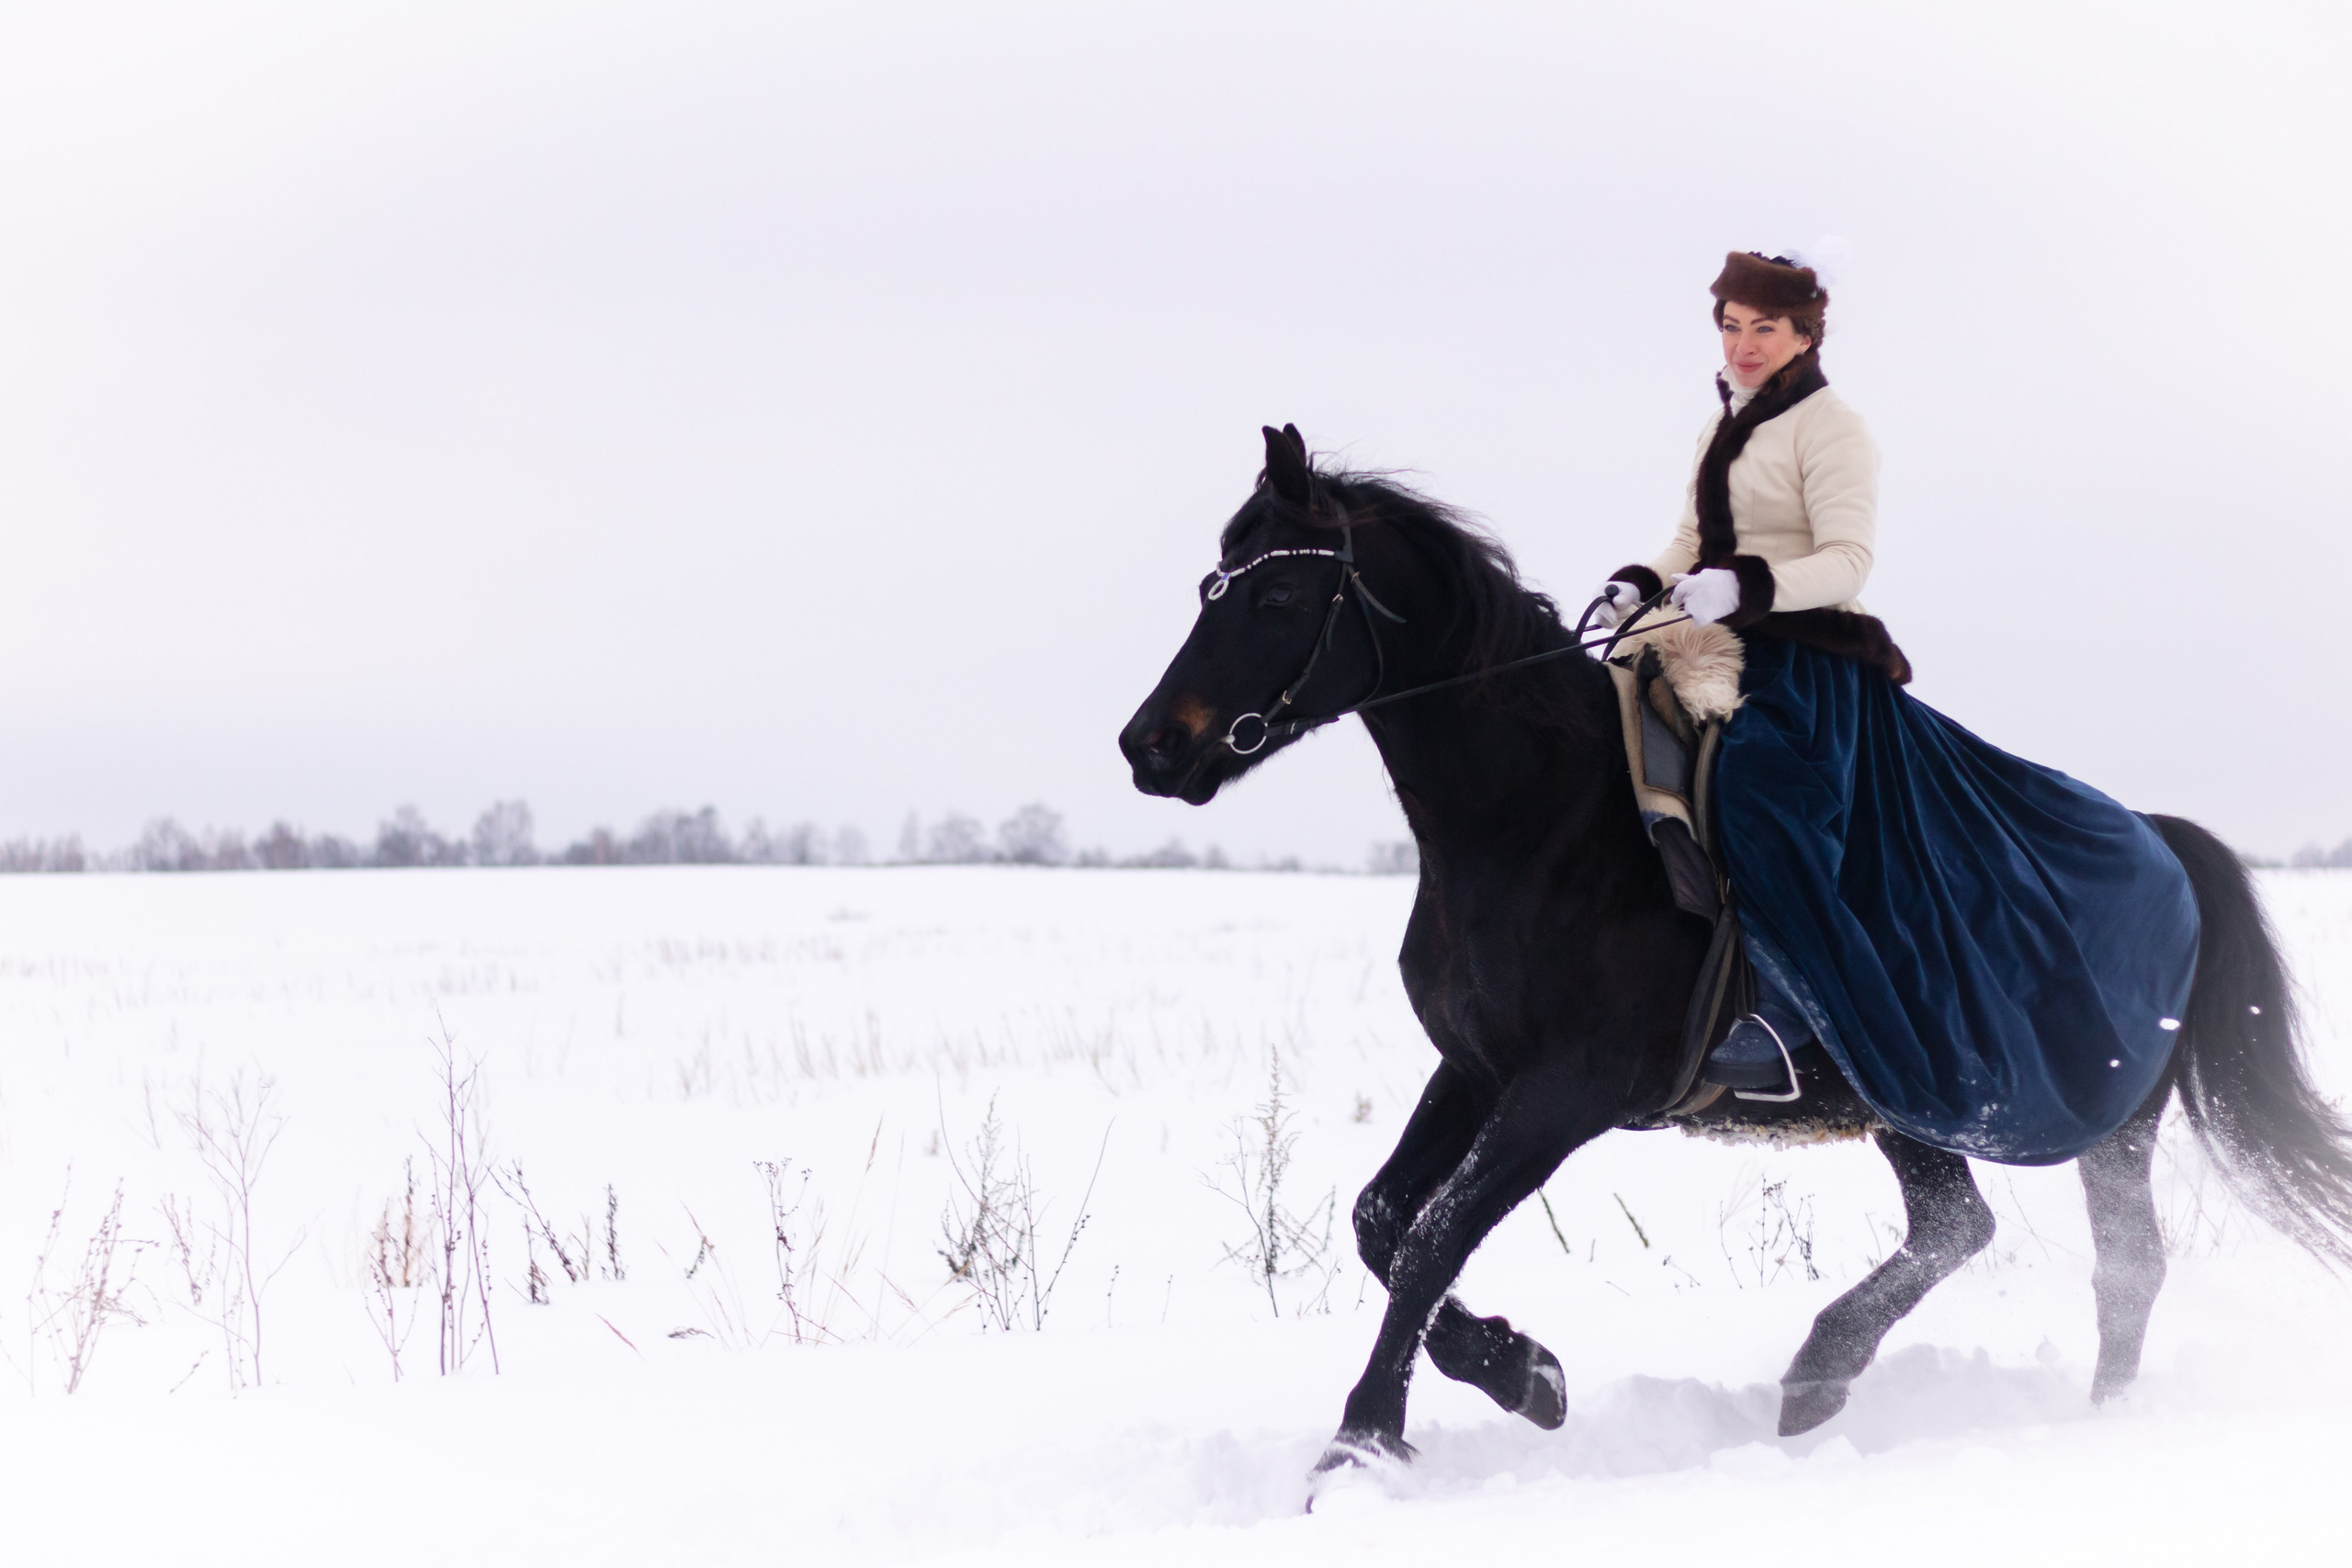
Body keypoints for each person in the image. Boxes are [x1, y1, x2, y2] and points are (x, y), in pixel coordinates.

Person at [1590, 254, 2198, 1160]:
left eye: (1764, 328)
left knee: (1761, 797)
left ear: (1803, 336)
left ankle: (1785, 1014)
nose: (1743, 343)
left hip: (1806, 667)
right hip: (1710, 642)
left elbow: (1845, 562)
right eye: (1730, 324)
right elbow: (1692, 534)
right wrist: (1640, 578)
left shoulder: (1833, 429)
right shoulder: (1726, 420)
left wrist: (1746, 587)